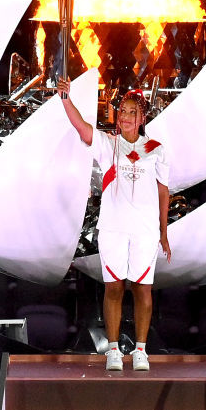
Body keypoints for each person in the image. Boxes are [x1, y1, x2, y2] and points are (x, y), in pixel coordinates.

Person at [56, 77, 171, 372]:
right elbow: (81, 127)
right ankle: (114, 350)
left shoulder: (157, 149)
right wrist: (66, 99)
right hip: (113, 228)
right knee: (114, 288)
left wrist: (164, 232)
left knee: (143, 289)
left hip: (145, 230)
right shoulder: (108, 145)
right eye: (122, 111)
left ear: (142, 117)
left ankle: (142, 350)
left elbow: (162, 191)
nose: (127, 116)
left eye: (133, 112)